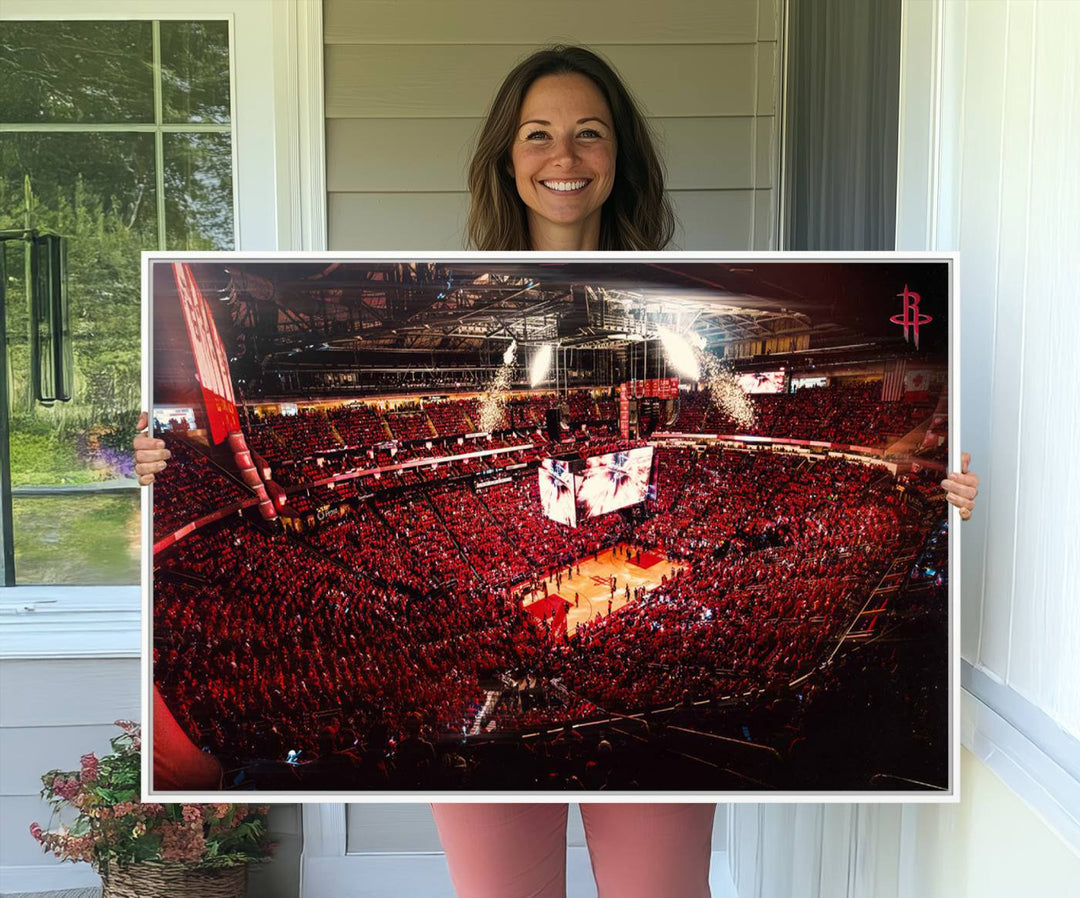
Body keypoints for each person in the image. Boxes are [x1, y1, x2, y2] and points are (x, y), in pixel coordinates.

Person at [135, 44, 980, 898]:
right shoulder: (457, 301)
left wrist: (941, 486)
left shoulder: (683, 306)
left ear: (620, 158)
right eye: (538, 134)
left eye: (589, 133)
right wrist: (153, 468)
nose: (563, 156)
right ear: (507, 158)